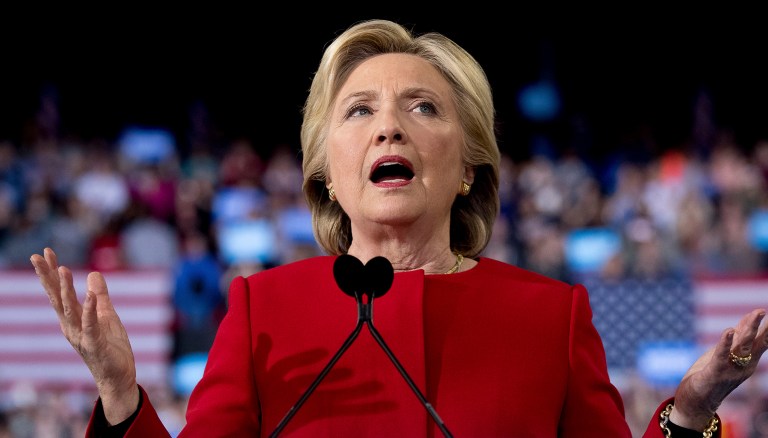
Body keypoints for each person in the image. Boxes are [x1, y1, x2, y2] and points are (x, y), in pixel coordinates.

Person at [30, 19, 767, 437]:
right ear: (325, 172)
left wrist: (692, 411)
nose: (389, 126)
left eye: (423, 107)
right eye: (359, 111)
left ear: (469, 166)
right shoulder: (264, 312)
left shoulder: (550, 317)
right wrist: (122, 394)